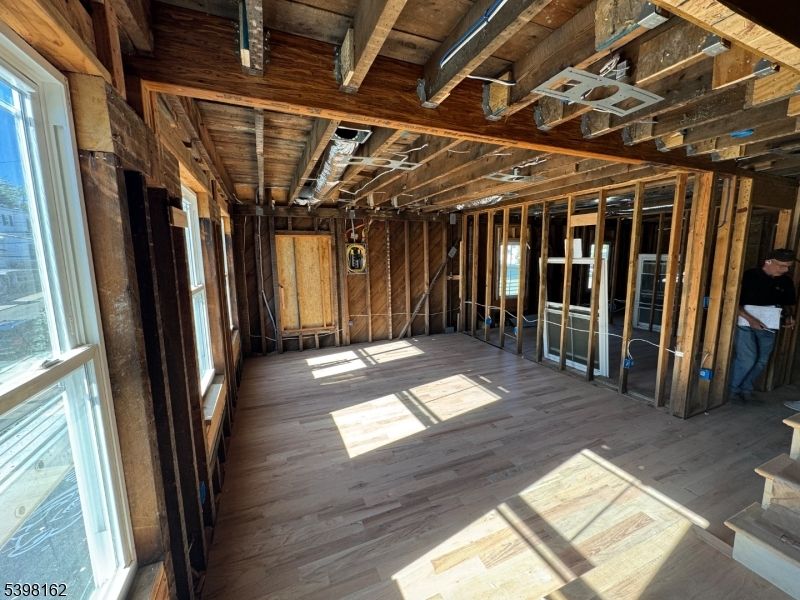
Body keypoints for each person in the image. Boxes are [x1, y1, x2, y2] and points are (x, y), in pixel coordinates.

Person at [729, 248, 796, 405]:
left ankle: (746, 390)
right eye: (781, 265)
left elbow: (788, 304)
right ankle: (733, 390)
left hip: (770, 324)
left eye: (788, 266)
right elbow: (733, 302)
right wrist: (750, 319)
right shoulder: (750, 276)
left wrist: (788, 317)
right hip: (745, 322)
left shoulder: (786, 281)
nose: (785, 269)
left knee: (762, 360)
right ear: (768, 261)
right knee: (747, 359)